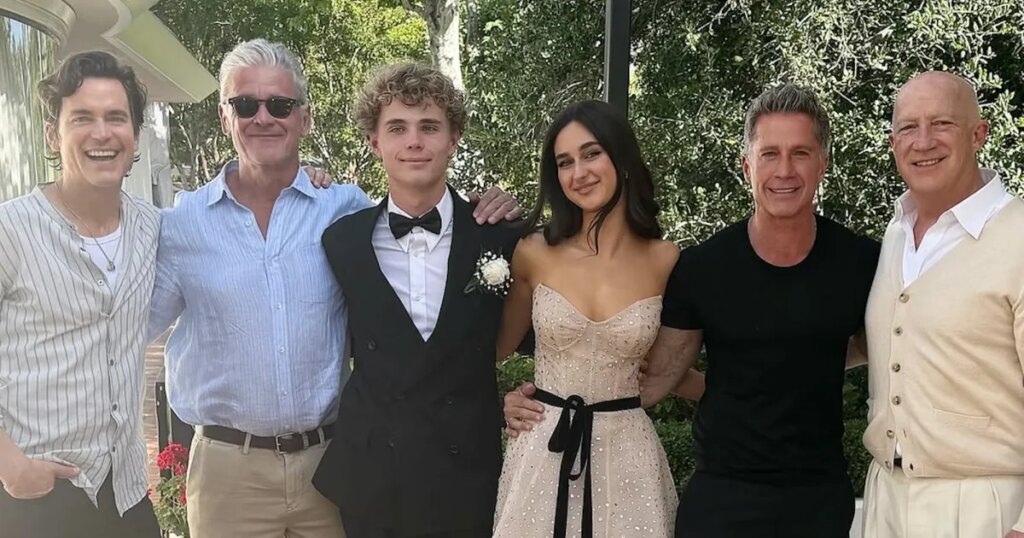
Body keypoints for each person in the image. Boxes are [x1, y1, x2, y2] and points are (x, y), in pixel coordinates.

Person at [146, 41, 519, 538]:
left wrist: (494, 205)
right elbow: (125, 329)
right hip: (227, 471)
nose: (264, 117)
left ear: (304, 119)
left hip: (330, 463)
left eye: (280, 105)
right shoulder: (181, 224)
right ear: (224, 116)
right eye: (246, 104)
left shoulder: (342, 209)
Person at [505, 84, 881, 538]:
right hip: (706, 490)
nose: (784, 170)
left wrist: (805, 367)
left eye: (800, 153)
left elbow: (884, 346)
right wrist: (509, 400)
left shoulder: (861, 261)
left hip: (812, 493)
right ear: (747, 166)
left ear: (823, 163)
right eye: (769, 154)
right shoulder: (701, 266)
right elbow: (485, 350)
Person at [312, 62, 523, 538]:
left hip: (467, 476)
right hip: (372, 479)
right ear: (375, 142)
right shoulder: (342, 241)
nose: (414, 141)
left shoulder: (502, 236)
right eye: (397, 128)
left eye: (429, 127)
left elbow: (543, 338)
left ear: (453, 139)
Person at [491, 100, 682, 538]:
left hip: (629, 458)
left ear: (622, 157)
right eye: (565, 162)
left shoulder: (666, 260)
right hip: (543, 449)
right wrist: (502, 400)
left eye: (591, 153)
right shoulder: (534, 252)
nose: (578, 172)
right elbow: (490, 349)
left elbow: (672, 365)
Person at [0, 51, 162, 538]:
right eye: (82, 118)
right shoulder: (10, 230)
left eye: (116, 117)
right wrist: (9, 465)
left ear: (135, 135)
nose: (102, 133)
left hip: (125, 494)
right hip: (32, 499)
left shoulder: (152, 227)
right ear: (53, 134)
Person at [860, 71, 1024, 538]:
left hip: (986, 508)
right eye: (908, 127)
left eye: (942, 124)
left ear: (978, 134)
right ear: (893, 143)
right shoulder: (896, 234)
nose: (923, 141)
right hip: (886, 498)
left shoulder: (1018, 235)